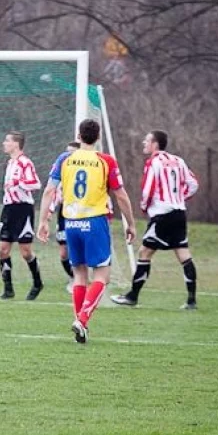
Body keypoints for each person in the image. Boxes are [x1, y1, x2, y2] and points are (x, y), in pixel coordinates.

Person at [37, 119, 136, 344]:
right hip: (94, 222)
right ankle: (81, 320)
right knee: (102, 274)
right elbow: (120, 195)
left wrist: (43, 221)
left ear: (79, 137)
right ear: (98, 137)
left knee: (79, 274)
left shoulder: (65, 159)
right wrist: (130, 223)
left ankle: (80, 323)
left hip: (70, 223)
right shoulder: (105, 161)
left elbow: (49, 191)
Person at [112, 130, 200, 309]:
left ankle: (132, 296)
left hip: (162, 215)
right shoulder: (179, 160)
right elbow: (193, 184)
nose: (144, 143)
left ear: (155, 144)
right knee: (183, 254)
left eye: (147, 140)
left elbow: (148, 189)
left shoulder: (153, 162)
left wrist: (145, 207)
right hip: (179, 213)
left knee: (144, 253)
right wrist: (179, 199)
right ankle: (191, 300)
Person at [0, 131, 44, 300]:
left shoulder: (25, 163)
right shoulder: (10, 163)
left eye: (7, 140)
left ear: (16, 144)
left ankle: (38, 283)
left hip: (23, 209)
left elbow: (36, 184)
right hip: (8, 209)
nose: (4, 143)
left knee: (25, 252)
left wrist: (19, 183)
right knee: (2, 250)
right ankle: (8, 289)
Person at [39, 142, 80, 293]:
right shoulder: (61, 172)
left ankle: (82, 279)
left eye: (72, 152)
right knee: (63, 252)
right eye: (67, 152)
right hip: (64, 213)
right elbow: (53, 191)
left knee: (77, 247)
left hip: (80, 212)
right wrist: (49, 211)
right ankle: (74, 277)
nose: (68, 156)